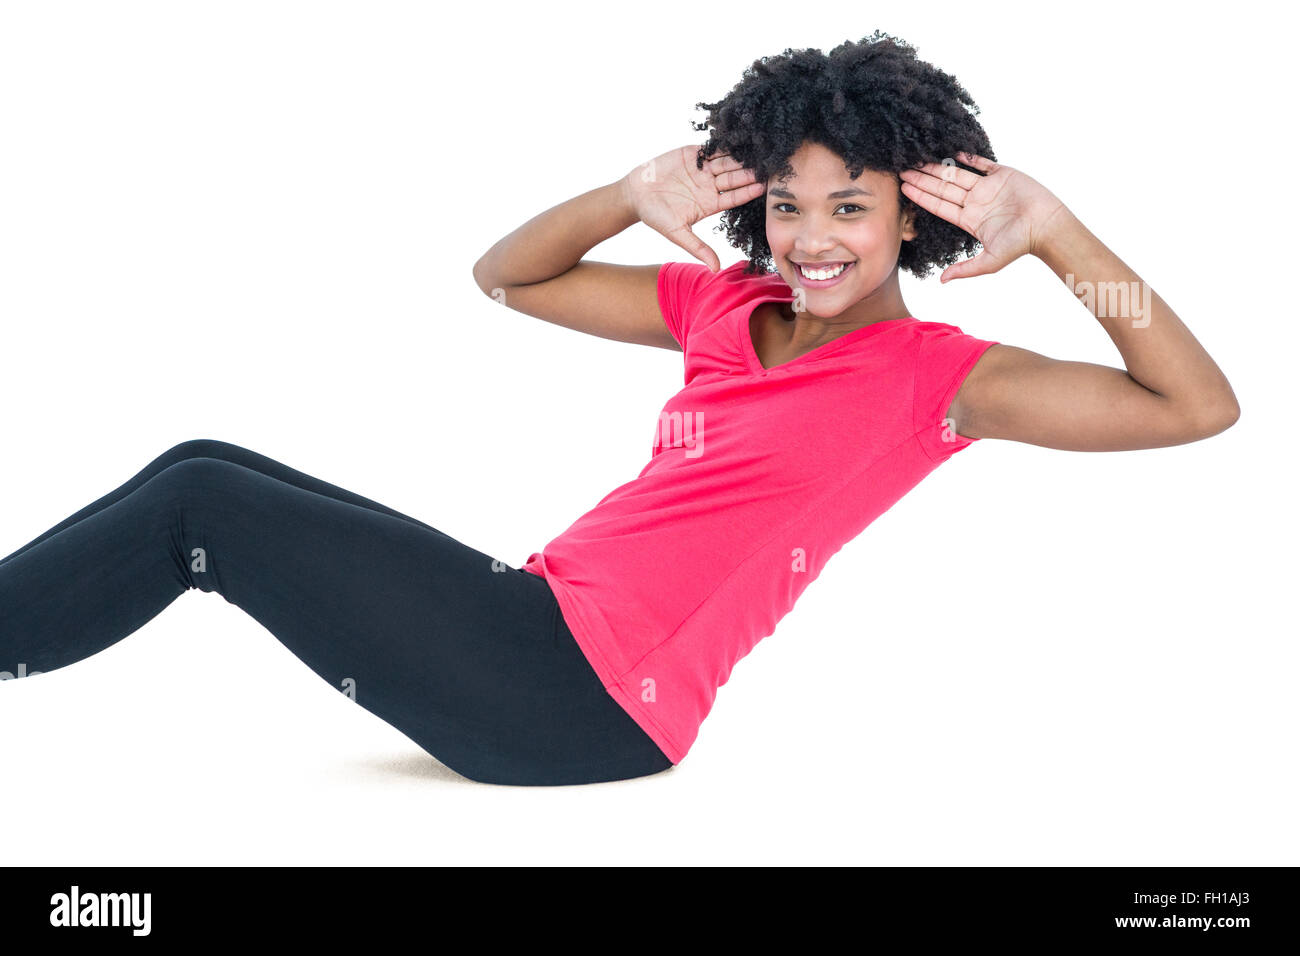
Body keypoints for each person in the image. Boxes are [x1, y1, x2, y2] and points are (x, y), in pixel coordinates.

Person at [0, 33, 1238, 787]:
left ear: (910, 216)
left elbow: (1194, 407)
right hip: (534, 622)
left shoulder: (938, 380)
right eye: (792, 204)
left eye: (850, 207)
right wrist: (623, 190)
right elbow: (505, 276)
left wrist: (1064, 234)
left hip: (582, 702)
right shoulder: (720, 302)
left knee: (199, 505)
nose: (813, 238)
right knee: (203, 458)